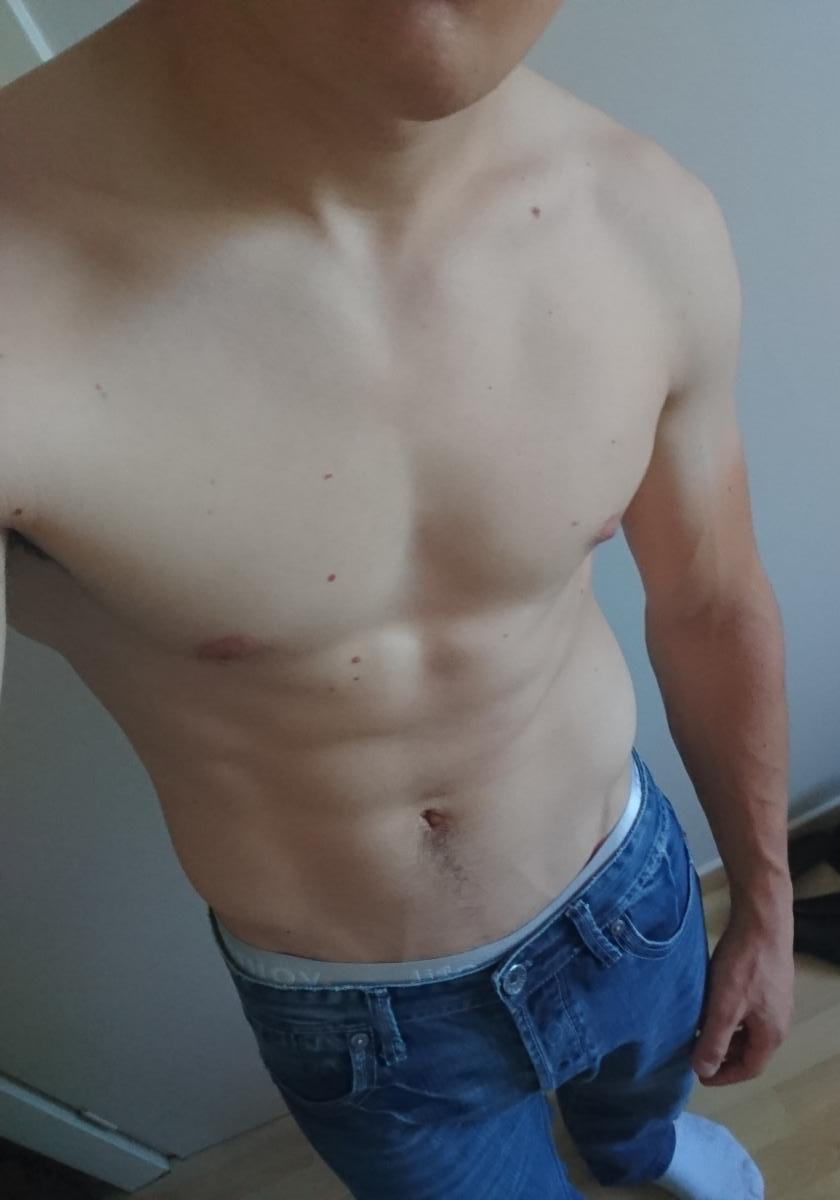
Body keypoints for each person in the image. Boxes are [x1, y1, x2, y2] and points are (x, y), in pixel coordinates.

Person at [0, 2, 794, 1196]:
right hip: (355, 1008)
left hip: (625, 894)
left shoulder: (646, 221)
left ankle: (642, 1152)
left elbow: (714, 600)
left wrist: (769, 903)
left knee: (644, 1104)